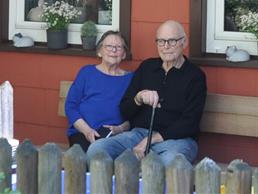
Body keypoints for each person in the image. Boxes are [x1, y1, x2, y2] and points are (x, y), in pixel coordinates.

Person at [87, 20, 207, 166]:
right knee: (97, 150)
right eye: (161, 41)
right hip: (137, 135)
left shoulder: (195, 76)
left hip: (177, 142)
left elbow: (190, 122)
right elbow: (124, 110)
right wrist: (138, 98)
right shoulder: (147, 68)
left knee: (166, 163)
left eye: (172, 41)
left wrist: (151, 140)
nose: (166, 46)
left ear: (184, 42)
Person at [65, 30, 133, 152]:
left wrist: (120, 129)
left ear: (124, 54)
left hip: (116, 136)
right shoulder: (87, 72)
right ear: (99, 51)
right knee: (82, 160)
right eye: (109, 46)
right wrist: (87, 131)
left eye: (118, 47)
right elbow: (70, 106)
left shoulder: (131, 79)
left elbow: (137, 115)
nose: (113, 50)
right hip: (82, 132)